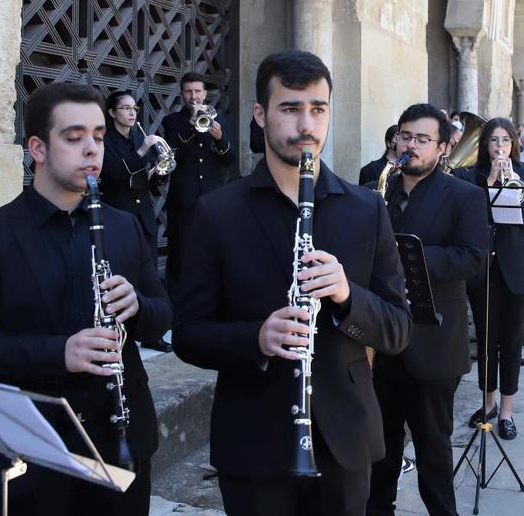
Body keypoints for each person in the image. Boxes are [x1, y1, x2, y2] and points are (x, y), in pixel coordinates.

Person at [172, 50, 412, 516]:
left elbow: (398, 331)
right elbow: (188, 333)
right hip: (253, 442)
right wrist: (255, 338)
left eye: (318, 109)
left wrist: (347, 297)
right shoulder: (218, 213)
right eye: (290, 108)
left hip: (345, 439)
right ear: (261, 115)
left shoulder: (365, 210)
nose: (306, 124)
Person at [0, 83, 172, 515]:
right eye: (74, 137)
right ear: (38, 147)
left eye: (99, 137)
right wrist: (60, 352)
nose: (92, 150)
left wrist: (138, 306)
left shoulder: (124, 228)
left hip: (119, 443)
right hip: (29, 453)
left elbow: (163, 315)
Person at [367, 104, 489, 516]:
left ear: (441, 148)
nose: (410, 145)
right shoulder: (377, 187)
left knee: (433, 448)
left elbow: (473, 260)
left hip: (434, 341)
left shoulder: (466, 195)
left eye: (422, 139)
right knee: (378, 444)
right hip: (382, 336)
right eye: (405, 136)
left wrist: (412, 258)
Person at [453, 118, 524, 440]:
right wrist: (490, 185)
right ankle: (487, 402)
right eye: (494, 140)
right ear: (485, 145)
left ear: (514, 144)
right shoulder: (470, 178)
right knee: (487, 339)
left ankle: (507, 410)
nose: (500, 147)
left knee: (511, 343)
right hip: (485, 270)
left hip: (519, 270)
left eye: (505, 140)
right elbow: (466, 219)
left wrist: (514, 186)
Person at [100, 91, 175, 352]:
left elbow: (147, 181)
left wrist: (159, 173)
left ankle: (151, 334)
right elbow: (114, 175)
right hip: (119, 215)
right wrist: (144, 152)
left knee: (149, 276)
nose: (132, 113)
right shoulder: (106, 142)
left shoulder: (137, 137)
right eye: (125, 108)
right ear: (112, 113)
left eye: (134, 108)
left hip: (144, 217)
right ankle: (119, 332)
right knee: (120, 275)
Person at [162, 72, 235, 280]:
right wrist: (191, 126)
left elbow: (229, 159)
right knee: (181, 253)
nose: (193, 96)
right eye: (188, 91)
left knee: (213, 250)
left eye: (197, 91)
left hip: (213, 198)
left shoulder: (220, 121)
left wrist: (220, 139)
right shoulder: (172, 121)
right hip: (183, 200)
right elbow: (172, 155)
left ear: (204, 94)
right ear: (182, 94)